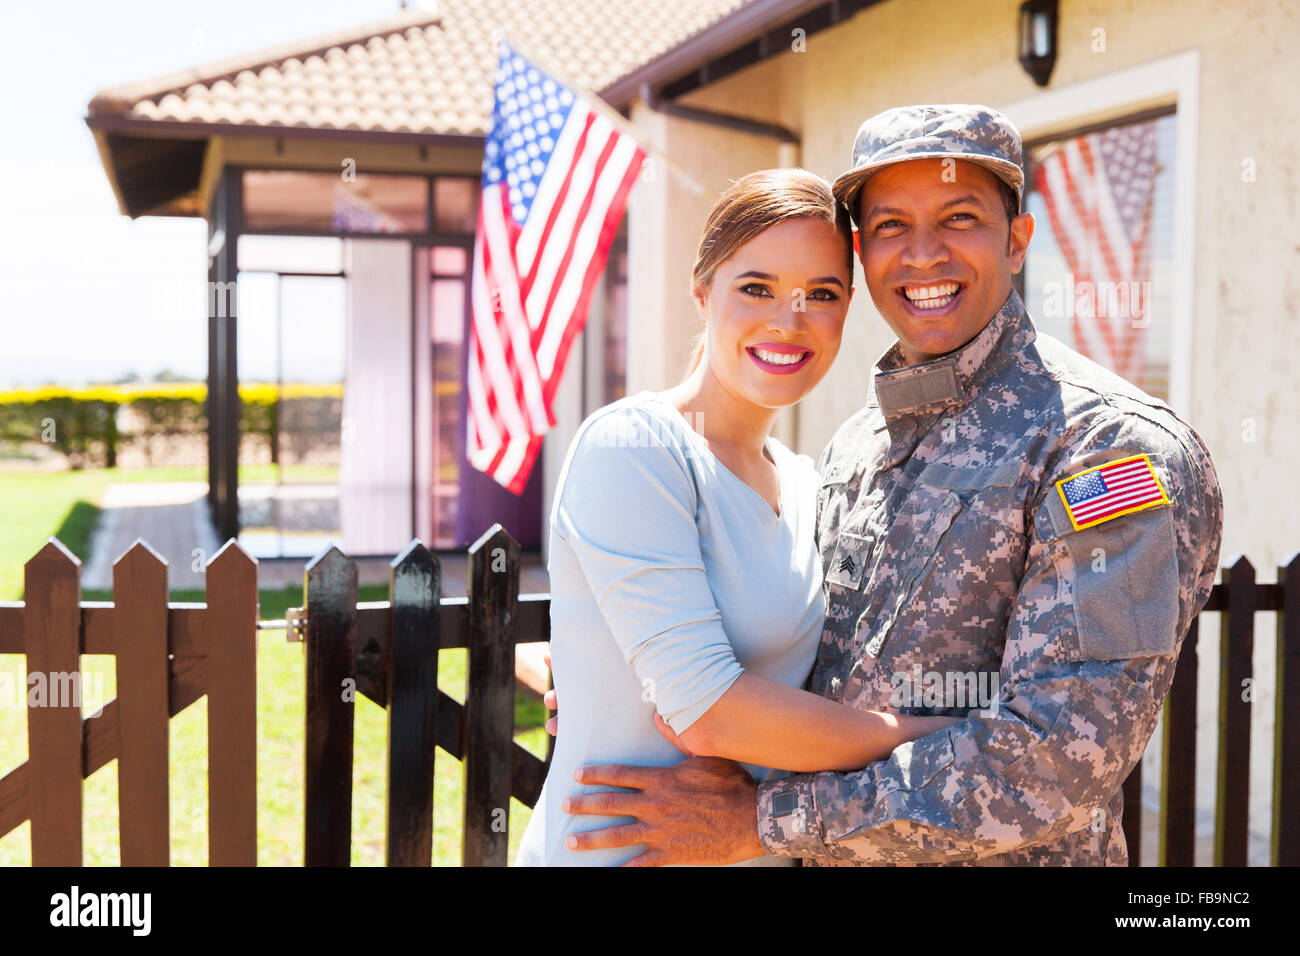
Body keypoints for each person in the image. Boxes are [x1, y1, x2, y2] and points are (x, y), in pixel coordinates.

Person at [557, 104, 1224, 866]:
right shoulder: (853, 452)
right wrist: (612, 681)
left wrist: (765, 821)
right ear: (863, 255)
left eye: (960, 217)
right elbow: (789, 666)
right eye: (888, 227)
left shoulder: (1107, 449)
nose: (923, 255)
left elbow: (1056, 760)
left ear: (1017, 240)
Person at [514, 167, 959, 867]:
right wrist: (932, 735)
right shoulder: (637, 446)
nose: (789, 319)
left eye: (822, 293)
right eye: (757, 288)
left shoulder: (810, 482)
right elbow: (704, 710)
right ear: (702, 292)